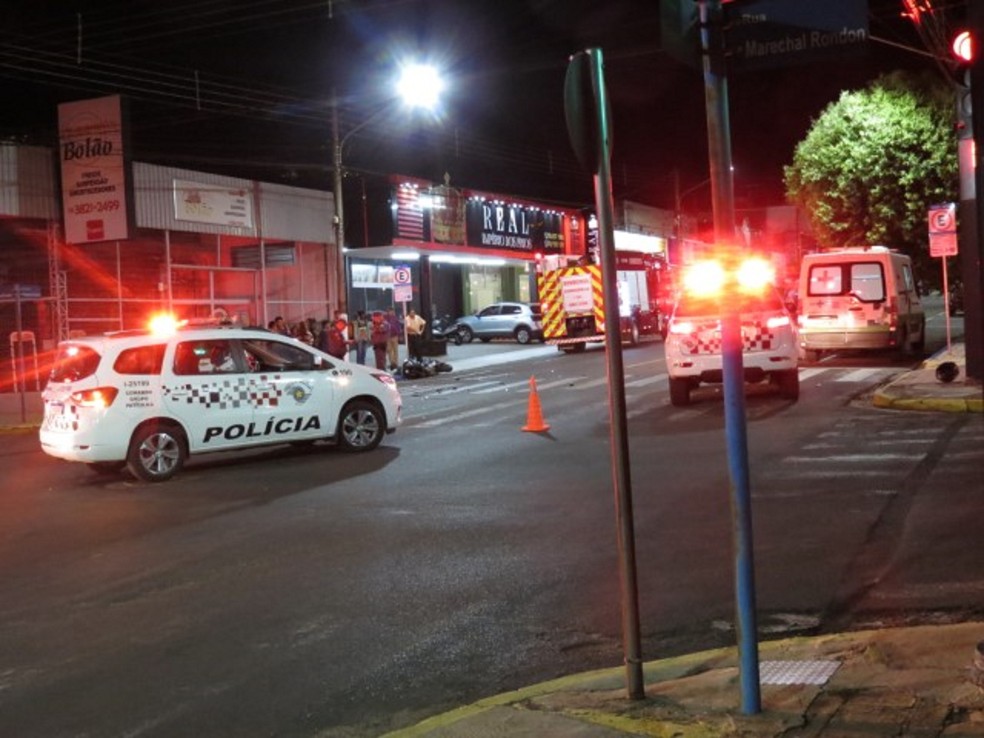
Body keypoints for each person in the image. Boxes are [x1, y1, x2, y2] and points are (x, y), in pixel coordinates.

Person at [385, 307, 402, 371]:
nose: (391, 312)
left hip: (395, 336)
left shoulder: (395, 319)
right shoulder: (386, 319)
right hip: (388, 337)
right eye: (389, 311)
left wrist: (399, 334)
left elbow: (398, 327)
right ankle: (392, 363)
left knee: (395, 350)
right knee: (389, 350)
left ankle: (396, 363)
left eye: (392, 311)